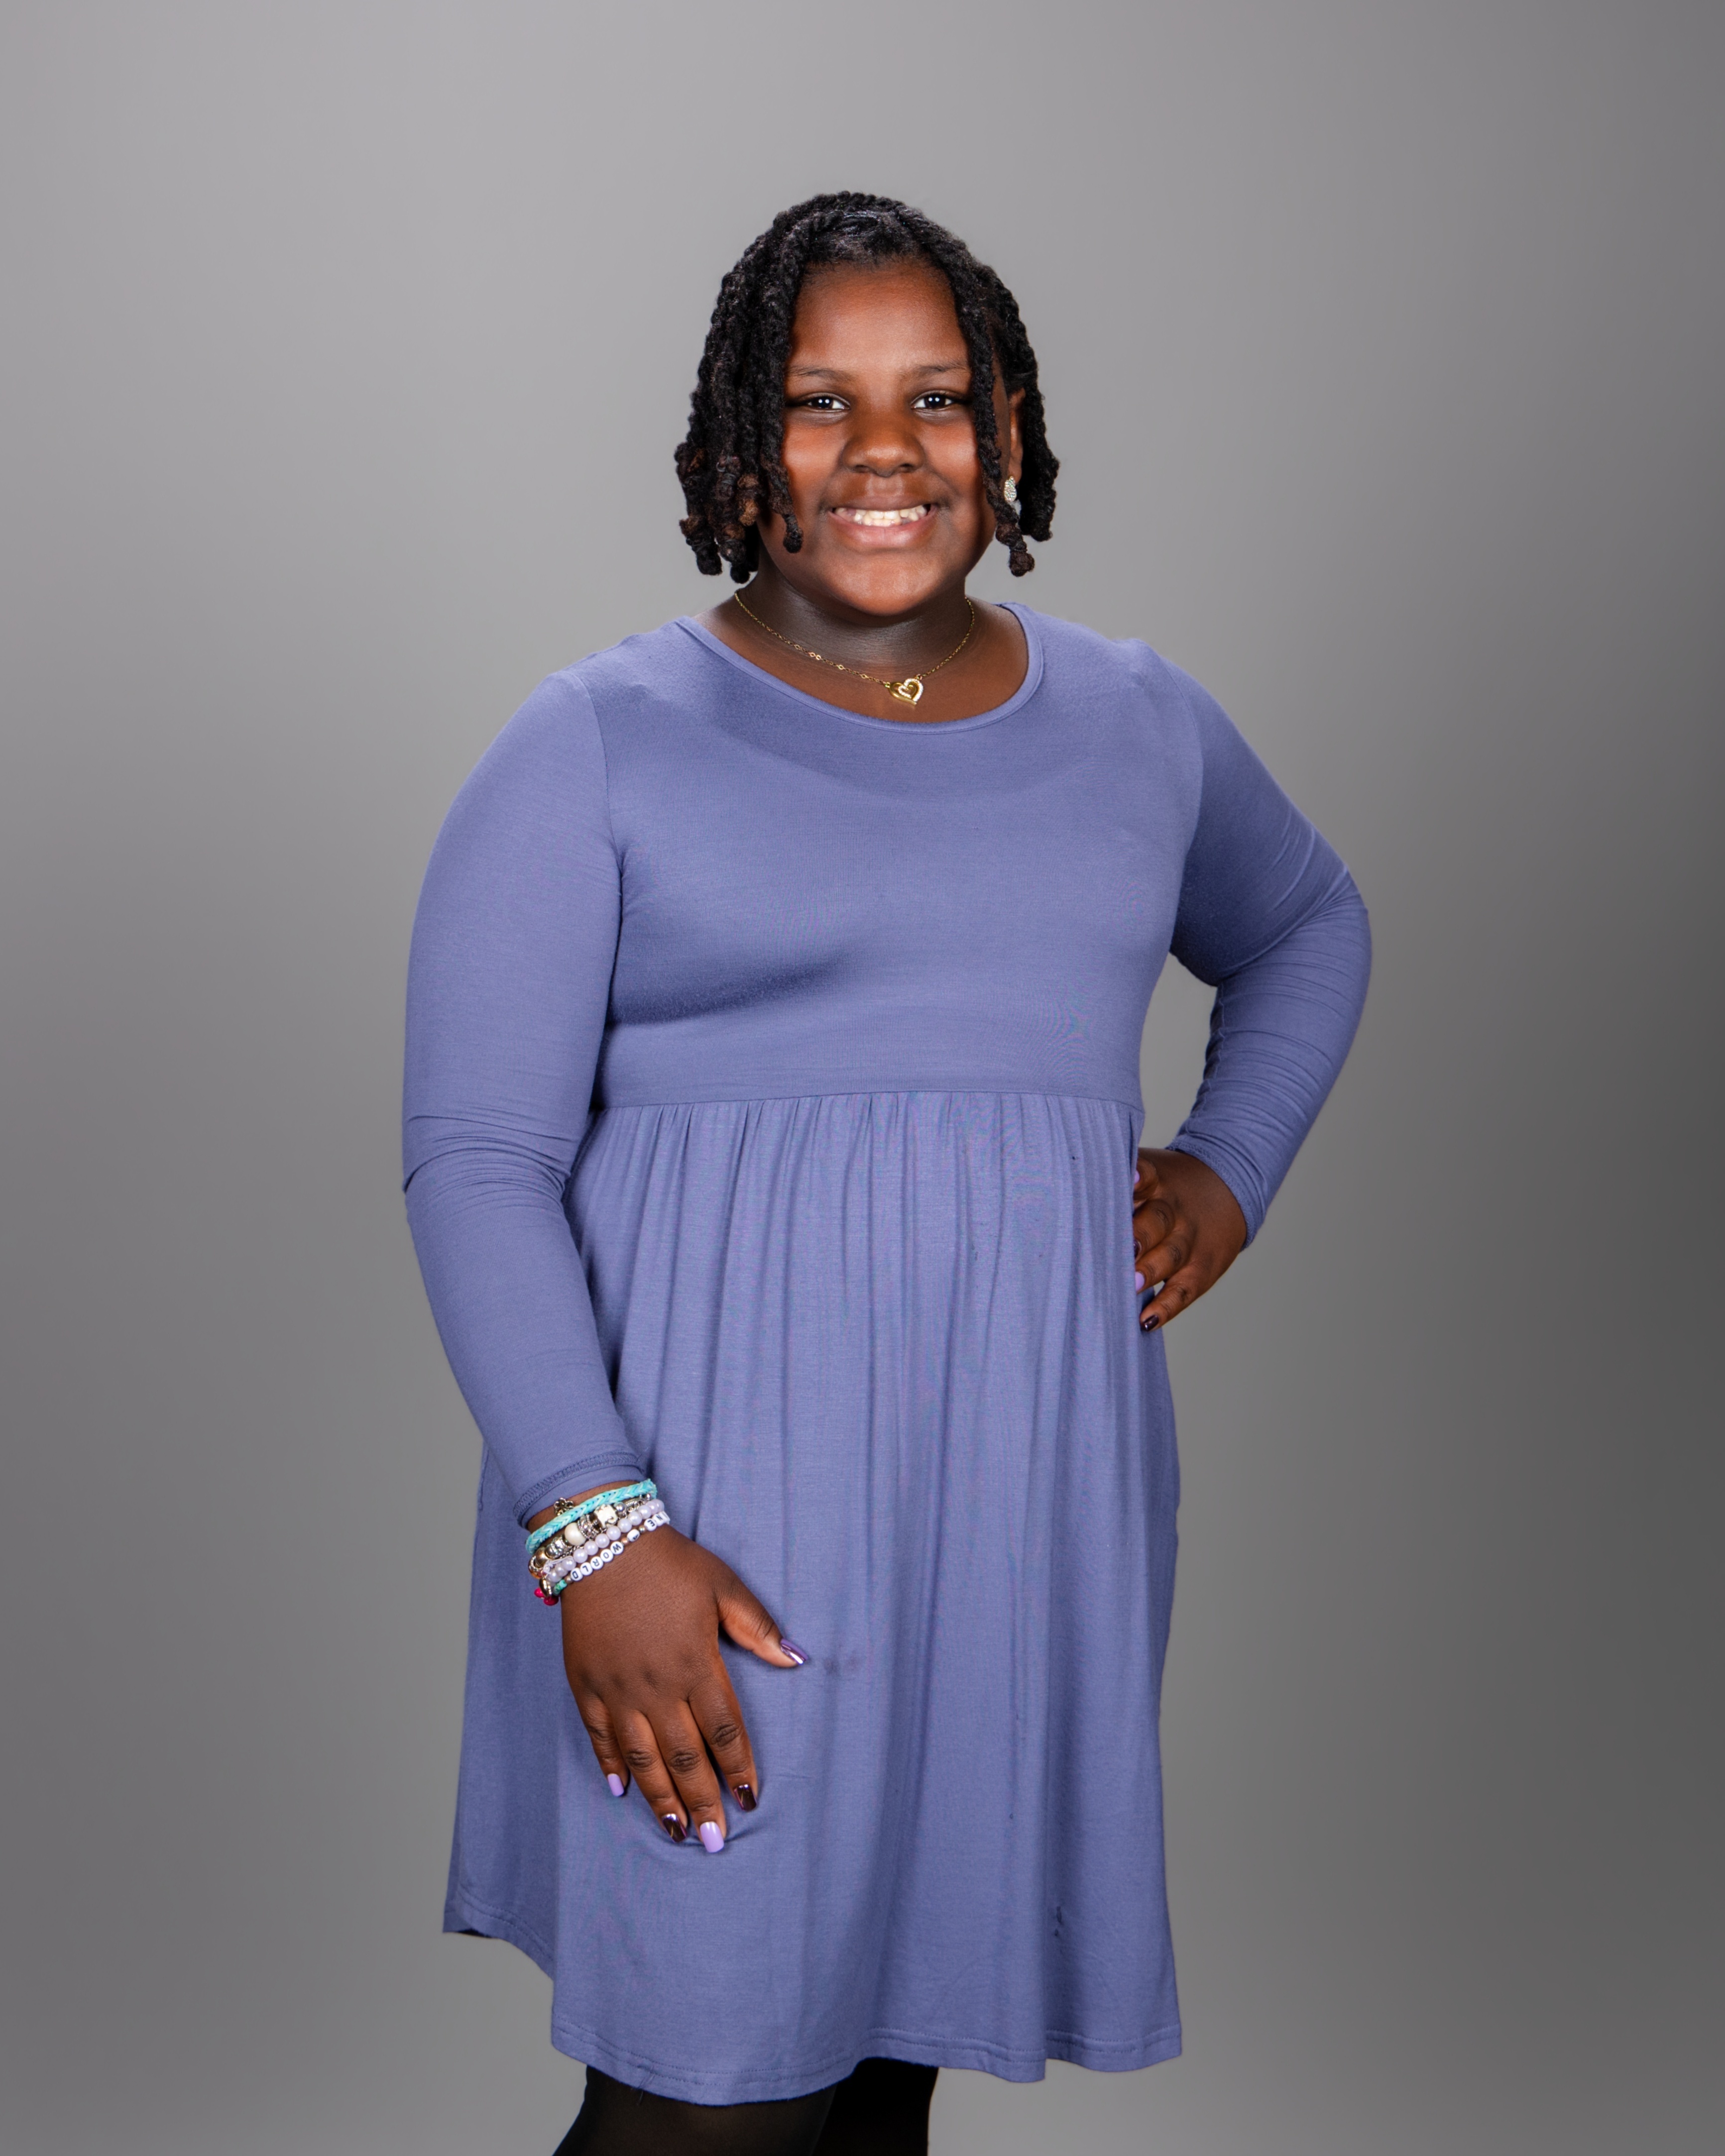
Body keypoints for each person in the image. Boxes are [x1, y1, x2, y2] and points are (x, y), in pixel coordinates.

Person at [403, 192, 1371, 2156]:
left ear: (1006, 431)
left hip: (1015, 1511)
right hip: (702, 1535)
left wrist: (1226, 1169)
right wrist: (595, 1529)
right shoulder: (595, 744)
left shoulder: (1137, 721)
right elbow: (477, 1160)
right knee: (707, 2113)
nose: (883, 452)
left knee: (873, 2090)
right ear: (732, 447)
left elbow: (1308, 923)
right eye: (815, 400)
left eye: (935, 397)